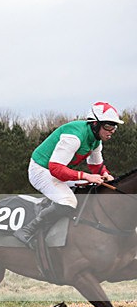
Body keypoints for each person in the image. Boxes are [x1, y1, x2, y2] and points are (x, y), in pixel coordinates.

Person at [13, 101, 123, 247]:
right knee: (68, 201)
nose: (111, 131)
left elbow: (96, 166)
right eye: (108, 126)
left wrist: (106, 175)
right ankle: (28, 230)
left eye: (114, 127)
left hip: (57, 171)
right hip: (41, 170)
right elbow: (55, 168)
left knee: (92, 188)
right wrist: (86, 176)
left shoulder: (96, 141)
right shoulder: (74, 137)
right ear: (95, 124)